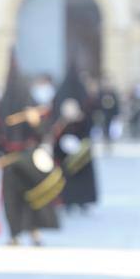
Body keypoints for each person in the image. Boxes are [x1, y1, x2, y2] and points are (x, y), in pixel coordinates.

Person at [0, 54, 62, 245]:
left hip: (29, 158)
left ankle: (34, 232)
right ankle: (14, 235)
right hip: (9, 160)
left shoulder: (31, 105)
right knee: (10, 199)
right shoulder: (2, 106)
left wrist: (36, 123)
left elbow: (44, 133)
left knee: (34, 196)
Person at [52, 64, 98, 211]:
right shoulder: (63, 95)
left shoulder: (80, 96)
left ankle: (81, 200)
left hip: (80, 142)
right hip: (64, 145)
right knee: (67, 173)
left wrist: (80, 118)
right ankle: (68, 199)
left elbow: (89, 118)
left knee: (80, 172)